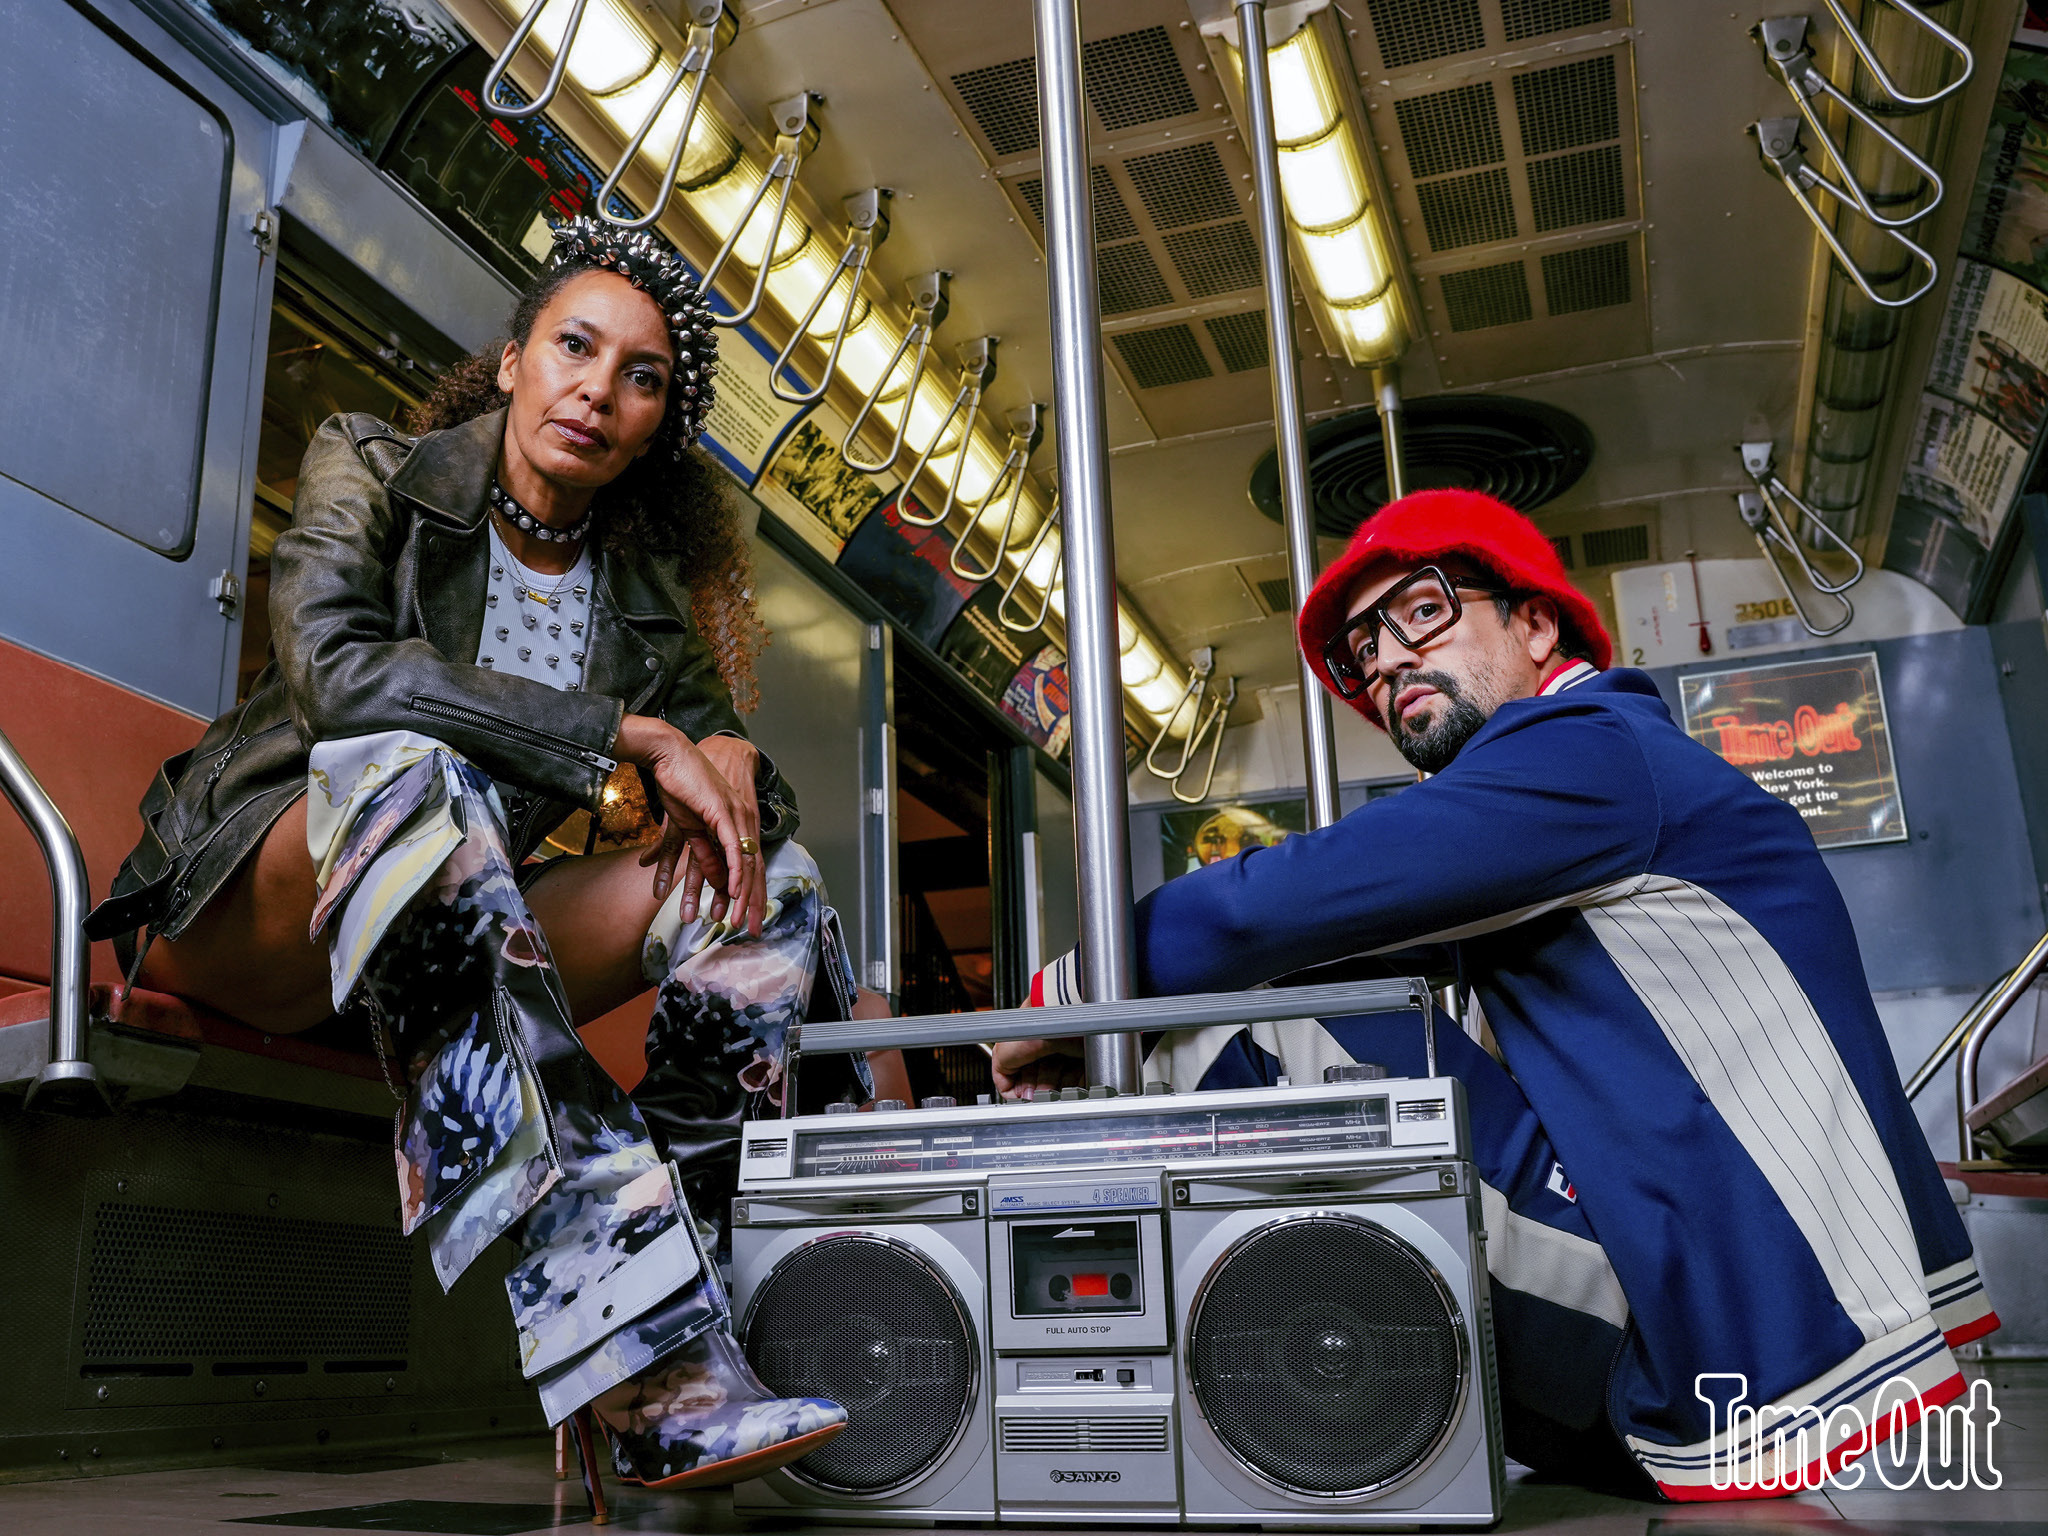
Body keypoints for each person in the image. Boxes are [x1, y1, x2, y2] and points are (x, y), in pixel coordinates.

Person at [996, 489, 1996, 1501]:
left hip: (1735, 1324)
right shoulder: (1592, 785)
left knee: (1242, 1007)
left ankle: (1107, 1390)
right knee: (1291, 986)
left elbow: (1270, 910)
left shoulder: (1587, 753)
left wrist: (1070, 996)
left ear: (1534, 620)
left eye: (1419, 610)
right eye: (1359, 653)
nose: (1382, 661)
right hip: (1756, 1295)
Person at [86, 217, 854, 1492]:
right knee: (412, 773)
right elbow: (337, 677)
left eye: (641, 378)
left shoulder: (641, 596)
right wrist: (612, 733)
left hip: (438, 950)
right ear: (512, 363)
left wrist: (735, 770)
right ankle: (639, 1356)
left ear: (656, 425)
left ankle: (695, 1289)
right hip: (258, 896)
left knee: (762, 882)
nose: (597, 391)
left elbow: (718, 776)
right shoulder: (370, 467)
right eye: (573, 347)